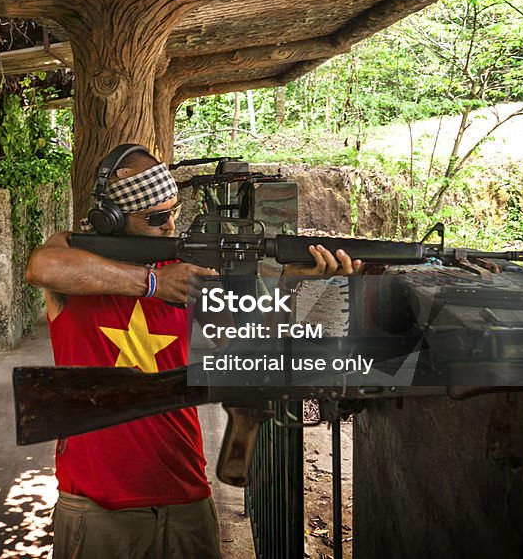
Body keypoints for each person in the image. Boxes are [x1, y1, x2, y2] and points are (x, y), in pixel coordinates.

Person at [25, 144, 361, 559]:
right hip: (97, 505)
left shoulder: (189, 278)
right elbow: (41, 266)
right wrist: (152, 284)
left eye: (173, 213)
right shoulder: (74, 259)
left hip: (184, 492)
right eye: (156, 219)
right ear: (109, 221)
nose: (170, 227)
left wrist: (290, 287)